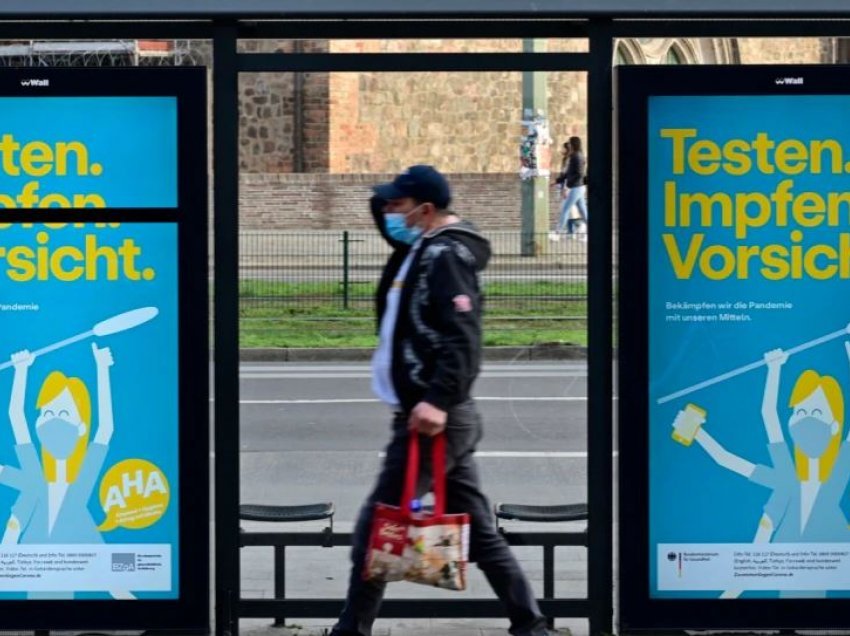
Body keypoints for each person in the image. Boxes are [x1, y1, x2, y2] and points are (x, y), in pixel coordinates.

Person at [329, 165, 553, 636]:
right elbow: (385, 212)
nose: (388, 212)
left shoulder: (445, 255)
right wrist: (391, 196)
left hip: (434, 418)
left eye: (398, 204)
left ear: (425, 210)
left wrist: (436, 400)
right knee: (479, 530)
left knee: (377, 526)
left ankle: (351, 630)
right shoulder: (418, 247)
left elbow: (463, 338)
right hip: (434, 416)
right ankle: (531, 625)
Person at [671, 344, 850, 598]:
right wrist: (696, 432)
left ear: (834, 426)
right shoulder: (786, 476)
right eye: (800, 412)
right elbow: (733, 452)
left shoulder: (835, 478)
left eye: (817, 412)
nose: (806, 419)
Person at [549, 136, 588, 241]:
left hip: (576, 187)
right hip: (577, 186)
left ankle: (557, 233)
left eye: (570, 143)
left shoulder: (577, 156)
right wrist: (557, 181)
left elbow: (578, 174)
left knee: (565, 209)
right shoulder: (575, 156)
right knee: (583, 211)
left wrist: (568, 185)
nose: (568, 145)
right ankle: (590, 233)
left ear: (574, 144)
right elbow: (568, 174)